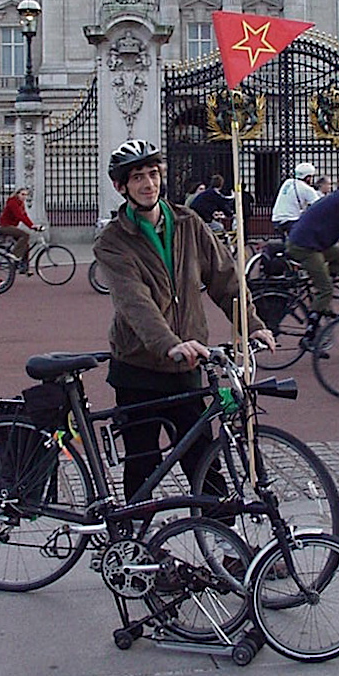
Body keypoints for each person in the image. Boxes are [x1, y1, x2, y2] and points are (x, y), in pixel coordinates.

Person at [93, 139, 274, 502]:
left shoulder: (188, 223)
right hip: (138, 368)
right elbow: (135, 302)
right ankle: (133, 544)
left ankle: (226, 549)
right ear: (121, 187)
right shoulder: (112, 241)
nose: (148, 184)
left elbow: (225, 279)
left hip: (188, 368)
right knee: (142, 466)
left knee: (204, 463)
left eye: (153, 175)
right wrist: (170, 344)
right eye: (138, 178)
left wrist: (251, 323)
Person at [286, 165, 339, 347]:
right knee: (326, 289)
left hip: (314, 243)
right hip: (304, 246)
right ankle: (309, 335)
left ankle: (321, 296)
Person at [0, 187, 41, 273]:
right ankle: (14, 255)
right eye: (22, 194)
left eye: (26, 195)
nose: (24, 197)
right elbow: (19, 216)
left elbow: (24, 216)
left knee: (26, 245)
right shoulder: (13, 202)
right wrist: (31, 226)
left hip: (12, 227)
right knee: (25, 235)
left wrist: (33, 225)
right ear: (17, 194)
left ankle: (24, 267)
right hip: (5, 226)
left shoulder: (21, 204)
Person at [271, 163, 319, 237]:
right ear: (308, 178)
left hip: (276, 219)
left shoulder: (288, 182)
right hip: (290, 221)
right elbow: (318, 205)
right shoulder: (307, 189)